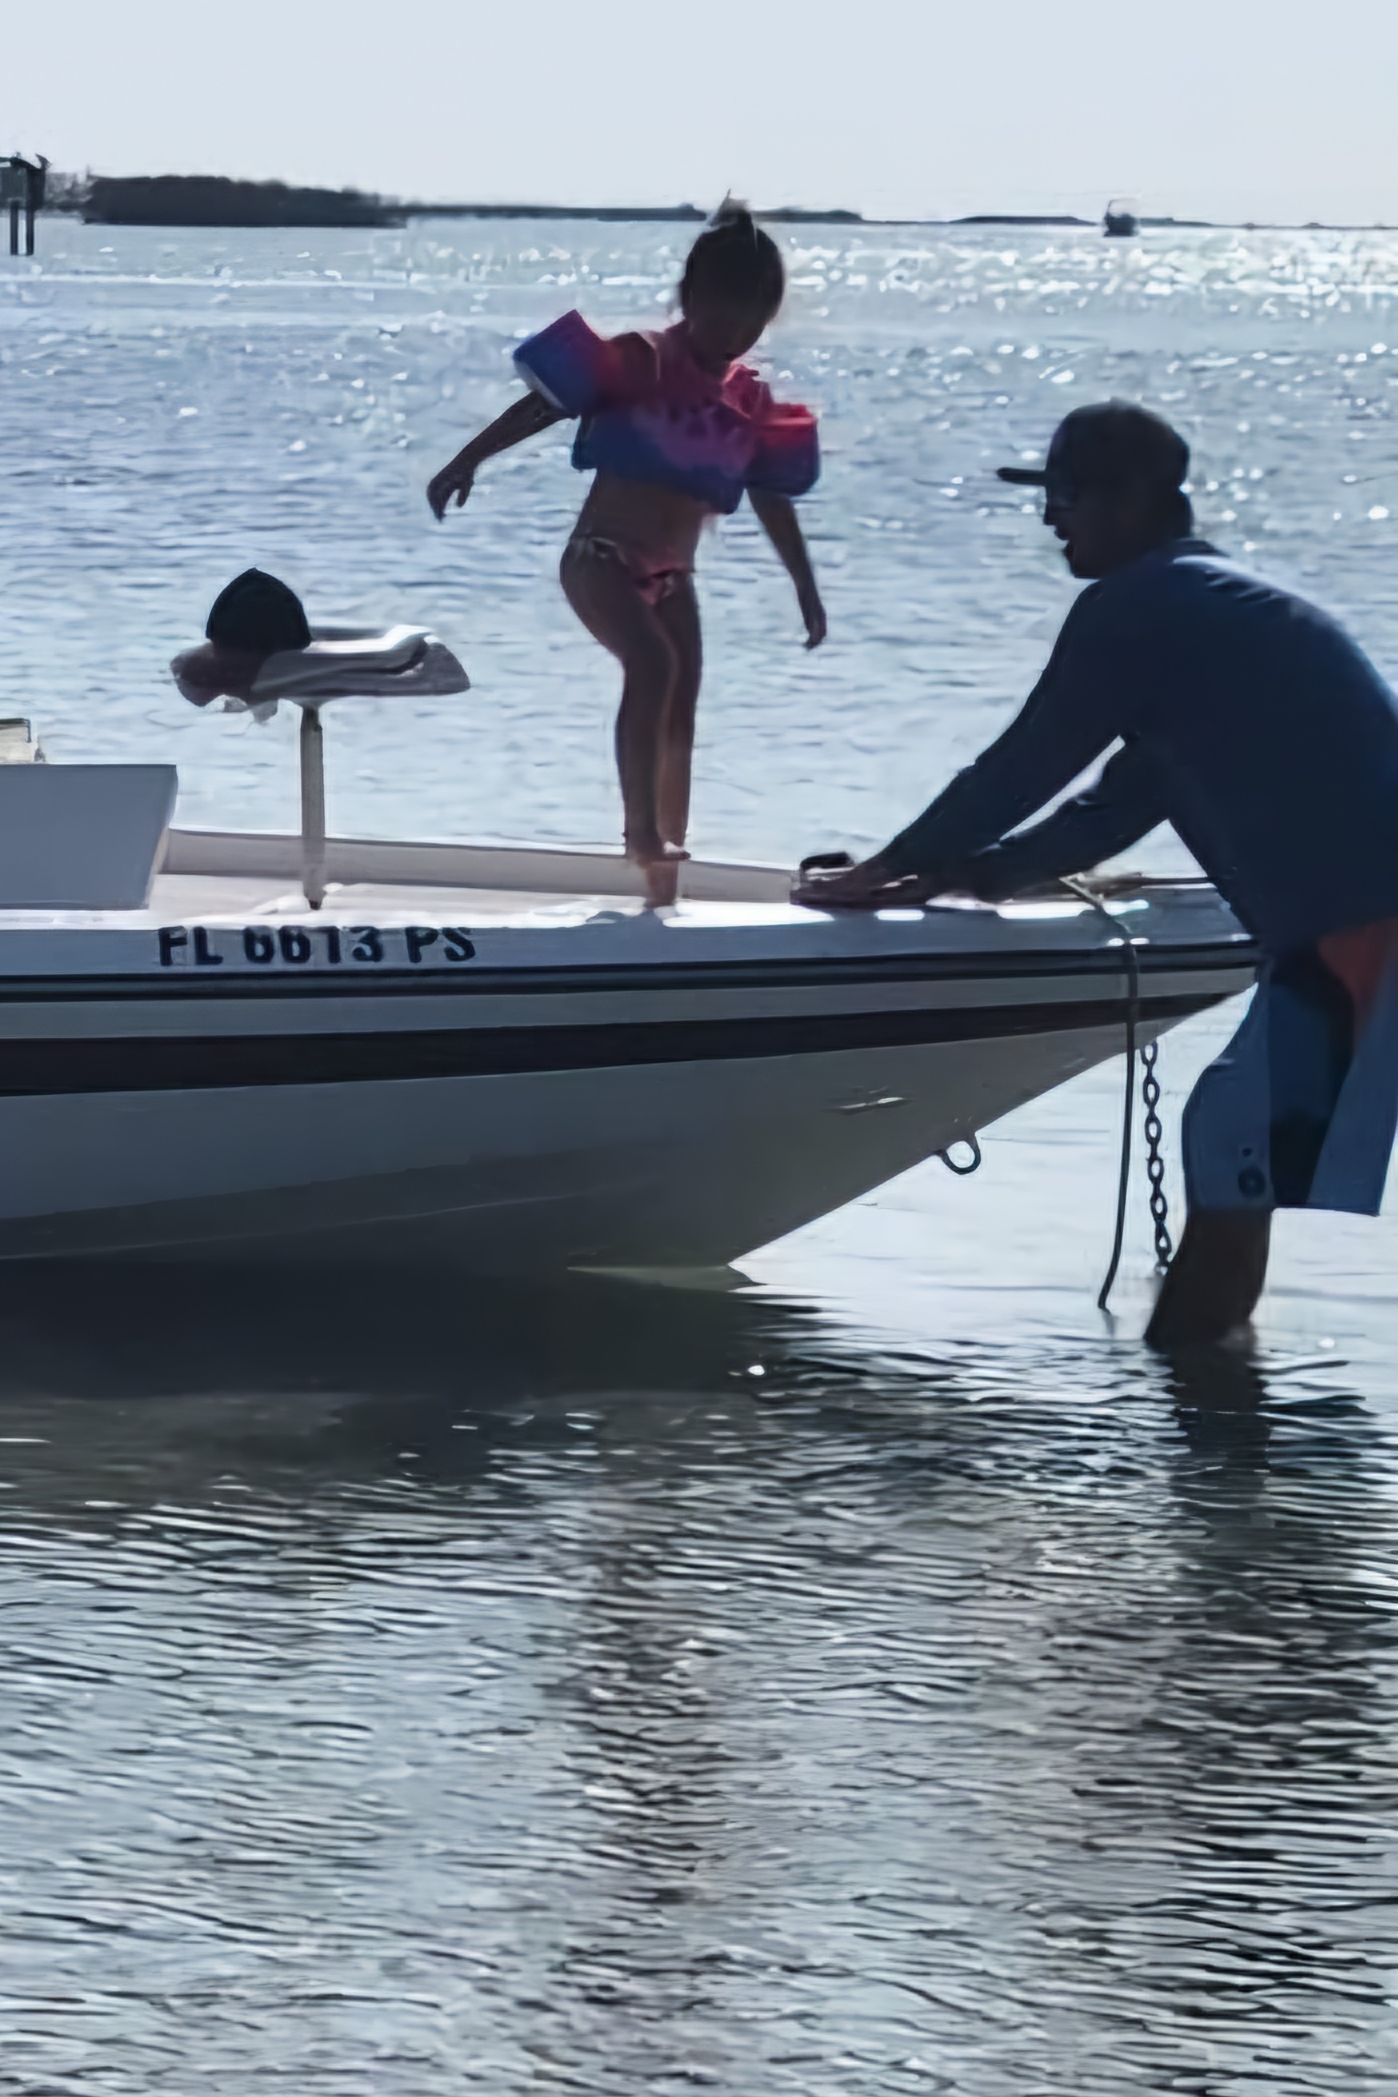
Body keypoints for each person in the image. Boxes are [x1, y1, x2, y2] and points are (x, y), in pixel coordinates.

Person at [793, 403, 1398, 1348]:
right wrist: (974, 877)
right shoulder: (1207, 608)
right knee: (1233, 1141)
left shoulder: (1143, 607)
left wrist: (887, 868)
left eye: (1067, 495)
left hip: (1365, 924)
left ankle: (1202, 1402)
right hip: (1355, 921)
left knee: (1232, 1140)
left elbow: (1027, 761)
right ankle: (1211, 1390)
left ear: (1135, 500)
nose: (1051, 518)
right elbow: (1119, 805)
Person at [426, 203, 830, 904]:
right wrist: (468, 459)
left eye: (752, 326)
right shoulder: (641, 359)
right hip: (600, 559)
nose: (734, 338)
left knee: (681, 710)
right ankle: (639, 833)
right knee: (652, 667)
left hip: (674, 577)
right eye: (723, 320)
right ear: (688, 299)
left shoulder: (748, 398)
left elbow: (770, 493)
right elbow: (545, 404)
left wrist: (804, 586)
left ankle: (663, 884)